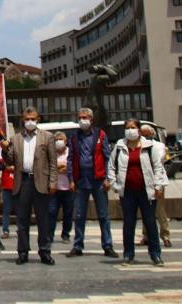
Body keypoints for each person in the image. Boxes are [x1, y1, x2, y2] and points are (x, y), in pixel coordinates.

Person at [108, 119, 167, 266]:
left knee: (150, 222)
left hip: (146, 190)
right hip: (127, 191)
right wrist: (115, 184)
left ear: (139, 129)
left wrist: (158, 185)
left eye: (133, 127)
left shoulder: (149, 146)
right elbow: (111, 166)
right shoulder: (120, 146)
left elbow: (158, 167)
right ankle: (128, 255)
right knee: (128, 223)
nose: (130, 130)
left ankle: (155, 254)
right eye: (127, 128)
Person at [2, 108, 57, 265]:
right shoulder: (16, 138)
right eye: (27, 119)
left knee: (43, 220)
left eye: (33, 118)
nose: (30, 122)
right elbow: (10, 160)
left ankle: (45, 251)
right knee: (22, 220)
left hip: (41, 181)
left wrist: (53, 182)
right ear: (22, 120)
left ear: (38, 119)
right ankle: (23, 251)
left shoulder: (47, 137)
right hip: (23, 181)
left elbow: (53, 162)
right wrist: (5, 150)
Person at [66, 108, 118, 258]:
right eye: (80, 117)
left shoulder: (100, 135)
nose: (82, 120)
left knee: (103, 214)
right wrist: (71, 180)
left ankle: (107, 245)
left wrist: (108, 178)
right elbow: (70, 159)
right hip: (81, 179)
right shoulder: (74, 137)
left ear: (91, 119)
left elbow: (108, 157)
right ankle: (78, 245)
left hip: (98, 179)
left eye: (85, 117)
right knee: (79, 214)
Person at [139, 125, 172, 248]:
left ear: (152, 134)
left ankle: (165, 235)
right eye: (143, 134)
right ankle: (146, 235)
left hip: (157, 180)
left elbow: (158, 160)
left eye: (147, 134)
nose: (145, 137)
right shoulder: (137, 146)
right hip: (143, 180)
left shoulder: (160, 146)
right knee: (145, 209)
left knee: (160, 210)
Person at [49, 131, 73, 244]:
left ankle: (66, 234)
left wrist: (62, 168)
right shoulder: (51, 153)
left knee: (68, 213)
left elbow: (70, 167)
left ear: (66, 141)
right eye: (56, 139)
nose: (58, 142)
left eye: (60, 139)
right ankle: (50, 235)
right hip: (55, 188)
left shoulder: (70, 152)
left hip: (69, 188)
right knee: (52, 213)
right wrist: (61, 167)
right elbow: (49, 167)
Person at [0, 149, 15, 240]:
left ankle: (21, 229)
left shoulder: (18, 158)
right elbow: (0, 166)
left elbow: (16, 168)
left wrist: (7, 167)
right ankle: (5, 230)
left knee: (21, 210)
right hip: (6, 187)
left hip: (18, 186)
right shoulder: (3, 159)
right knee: (6, 211)